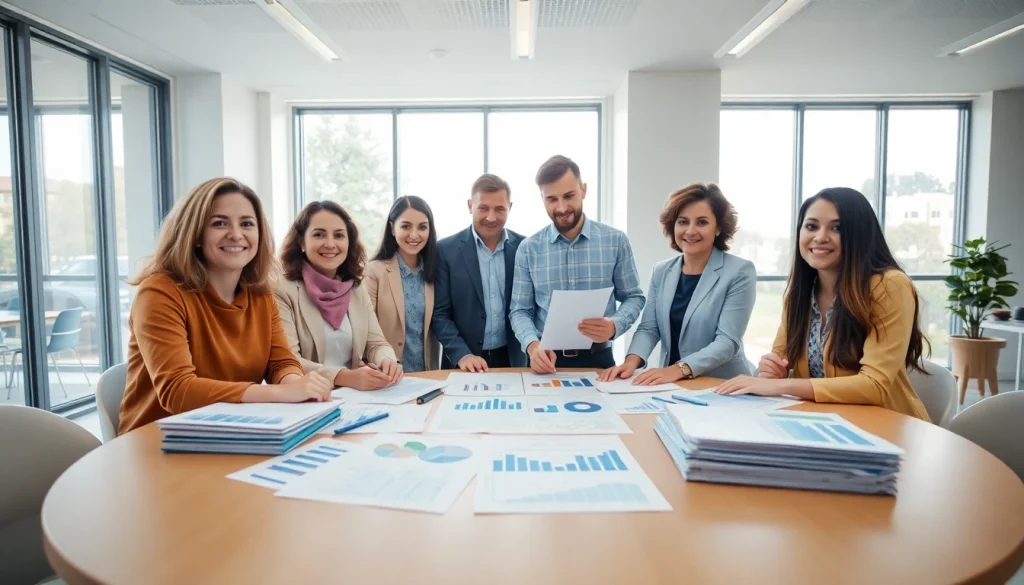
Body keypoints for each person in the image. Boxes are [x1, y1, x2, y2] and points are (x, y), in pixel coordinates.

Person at [118, 178, 332, 435]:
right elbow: (177, 391)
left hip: (230, 433)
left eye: (247, 224)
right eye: (219, 223)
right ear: (195, 234)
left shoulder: (261, 295)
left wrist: (298, 386)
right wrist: (280, 392)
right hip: (158, 443)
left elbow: (281, 362)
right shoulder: (159, 292)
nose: (236, 234)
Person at [715, 187, 931, 421]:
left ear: (860, 234)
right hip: (823, 423)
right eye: (811, 226)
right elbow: (779, 360)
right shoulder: (800, 294)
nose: (820, 237)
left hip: (886, 428)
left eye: (837, 228)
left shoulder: (889, 285)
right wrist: (772, 372)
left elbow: (874, 385)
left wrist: (781, 387)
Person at [598, 183, 756, 384]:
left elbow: (727, 342)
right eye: (683, 222)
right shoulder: (662, 271)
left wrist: (678, 369)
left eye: (701, 222)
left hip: (721, 385)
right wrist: (630, 362)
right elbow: (649, 328)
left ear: (718, 228)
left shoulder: (740, 271)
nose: (690, 231)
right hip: (673, 386)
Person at [510, 155, 645, 372]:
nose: (562, 207)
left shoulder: (616, 241)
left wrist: (614, 325)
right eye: (552, 199)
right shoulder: (528, 249)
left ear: (583, 190)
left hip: (599, 359)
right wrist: (532, 345)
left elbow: (634, 297)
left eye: (569, 196)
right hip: (546, 362)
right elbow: (519, 310)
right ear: (542, 199)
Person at [275, 201, 403, 390]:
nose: (330, 244)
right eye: (319, 234)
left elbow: (376, 344)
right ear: (302, 242)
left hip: (354, 398)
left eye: (339, 235)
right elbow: (289, 361)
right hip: (306, 398)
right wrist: (346, 377)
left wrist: (388, 360)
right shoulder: (282, 290)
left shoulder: (356, 289)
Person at [432, 174, 527, 371]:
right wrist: (462, 355)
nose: (491, 217)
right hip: (463, 362)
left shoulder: (525, 248)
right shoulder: (445, 250)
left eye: (499, 209)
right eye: (483, 208)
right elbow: (440, 314)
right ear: (470, 206)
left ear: (510, 207)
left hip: (513, 360)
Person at [365, 196, 441, 372]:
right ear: (392, 228)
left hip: (428, 375)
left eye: (422, 227)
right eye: (406, 226)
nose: (414, 235)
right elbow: (365, 328)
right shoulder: (374, 272)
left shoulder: (436, 271)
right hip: (386, 374)